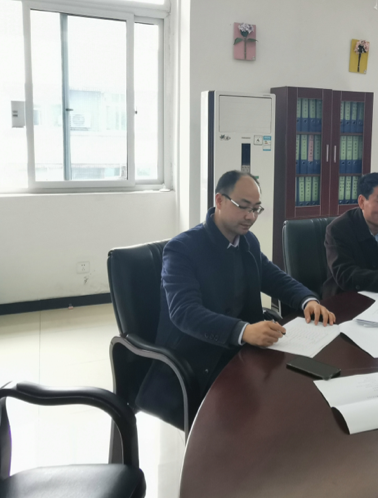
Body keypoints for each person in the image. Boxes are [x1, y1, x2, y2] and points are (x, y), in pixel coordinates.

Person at [137, 170, 335, 424]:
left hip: (241, 350)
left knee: (301, 386)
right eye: (243, 206)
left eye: (256, 209)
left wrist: (308, 300)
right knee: (261, 411)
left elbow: (272, 276)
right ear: (219, 201)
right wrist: (243, 331)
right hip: (198, 358)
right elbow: (184, 312)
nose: (250, 216)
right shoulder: (182, 249)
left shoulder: (247, 241)